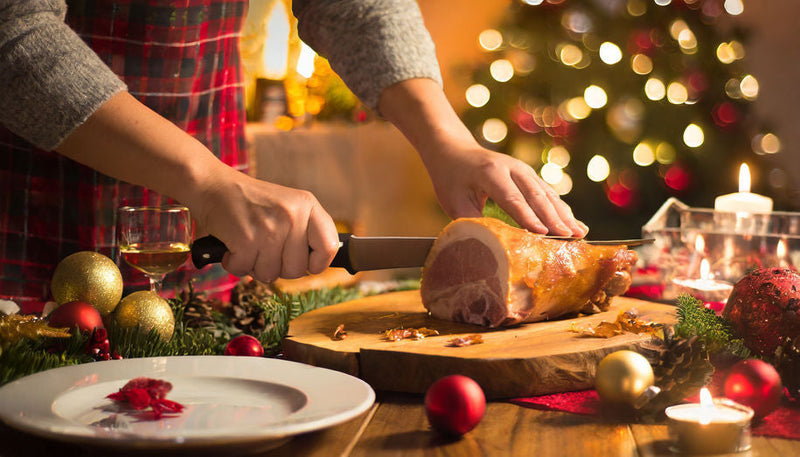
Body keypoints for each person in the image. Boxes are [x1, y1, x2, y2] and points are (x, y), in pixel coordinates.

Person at [0, 0, 588, 309]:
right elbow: (13, 28)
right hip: (28, 235)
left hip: (209, 260)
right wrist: (205, 179)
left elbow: (356, 4)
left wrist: (450, 143)